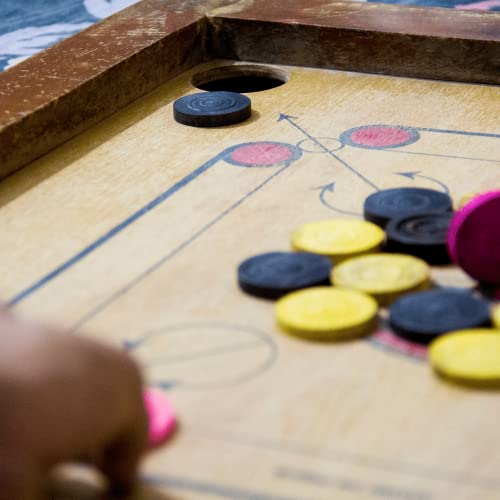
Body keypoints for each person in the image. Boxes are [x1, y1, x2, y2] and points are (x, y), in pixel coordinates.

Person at [0, 307, 147, 499]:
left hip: (28, 413)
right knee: (122, 467)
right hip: (122, 376)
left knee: (11, 476)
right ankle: (122, 484)